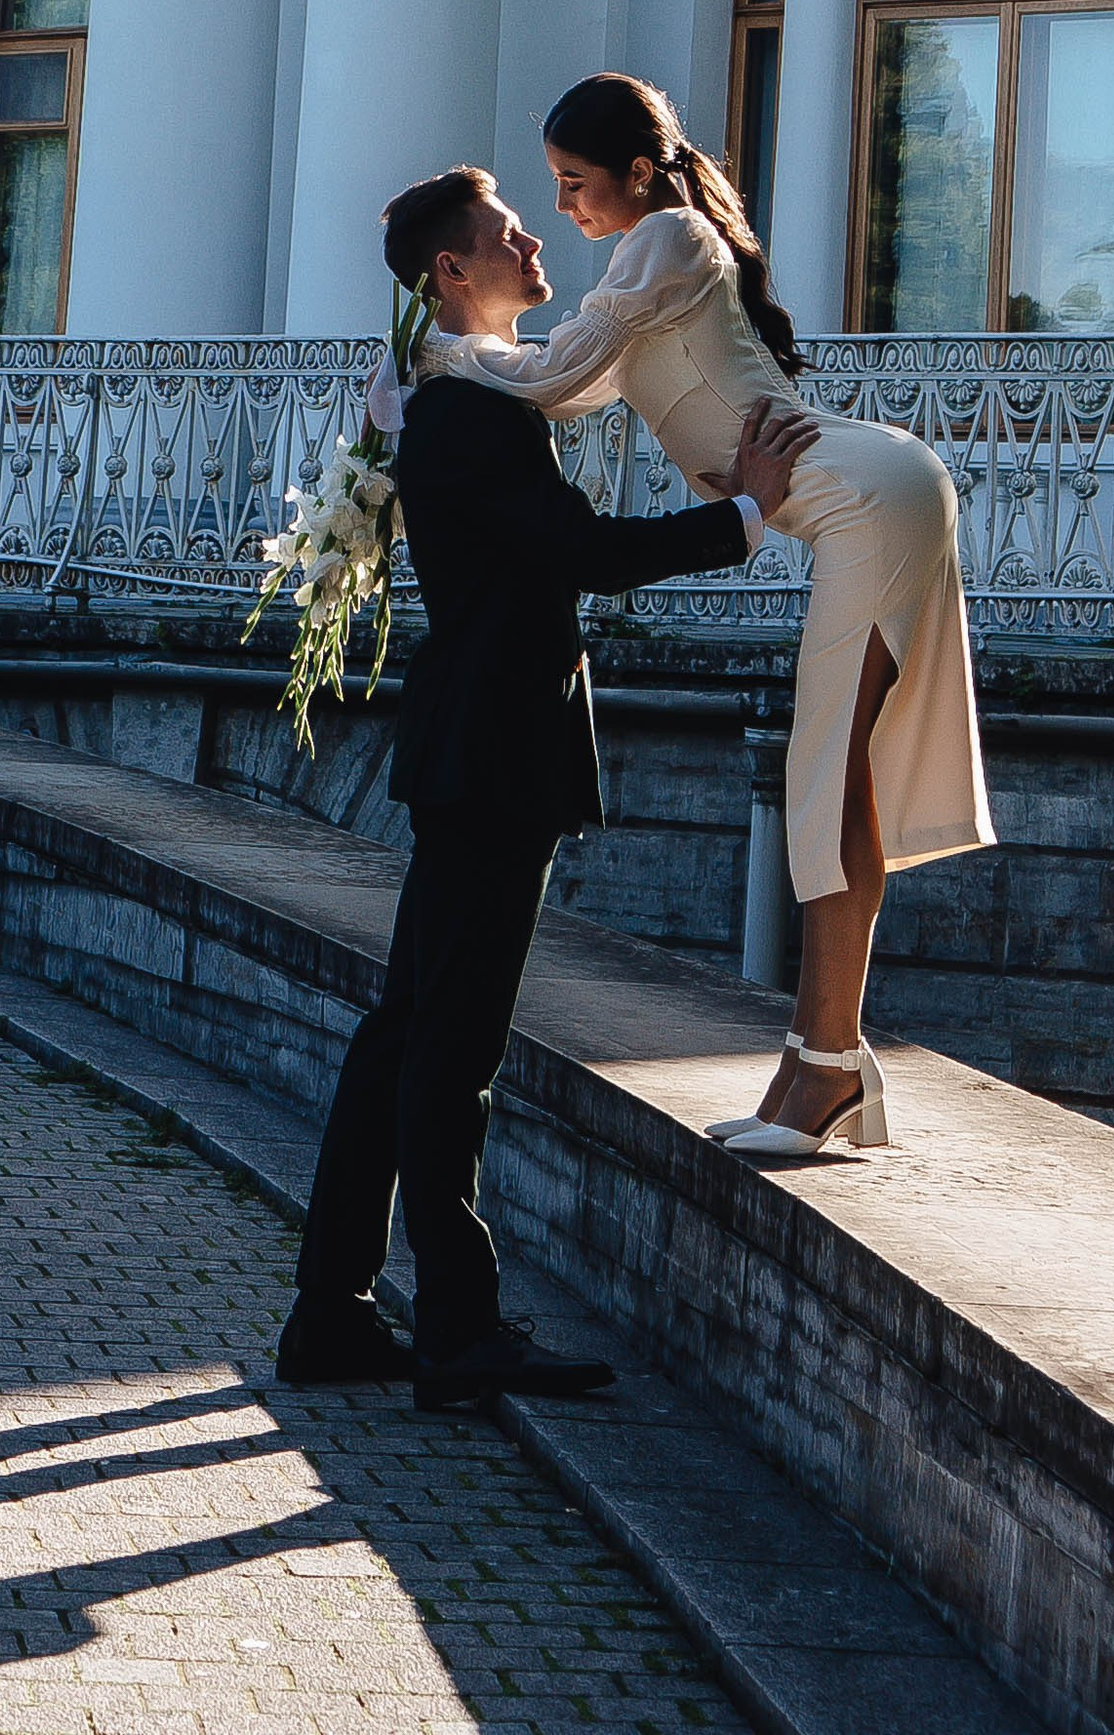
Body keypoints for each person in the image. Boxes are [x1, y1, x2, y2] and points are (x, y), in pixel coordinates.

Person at [282, 162, 817, 1414]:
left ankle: (333, 1312)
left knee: (402, 1035)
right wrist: (743, 515)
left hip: (473, 746)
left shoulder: (452, 395)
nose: (536, 241)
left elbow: (547, 544)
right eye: (507, 232)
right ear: (449, 275)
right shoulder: (465, 407)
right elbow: (573, 553)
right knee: (448, 1051)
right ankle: (458, 1331)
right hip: (495, 751)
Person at [420, 72, 995, 1163]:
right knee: (838, 780)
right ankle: (824, 1068)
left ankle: (825, 1072)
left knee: (824, 779)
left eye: (575, 184)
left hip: (869, 502)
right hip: (871, 498)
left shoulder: (668, 236)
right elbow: (572, 379)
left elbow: (546, 382)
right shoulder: (648, 266)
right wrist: (458, 361)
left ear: (638, 175)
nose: (566, 211)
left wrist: (427, 354)